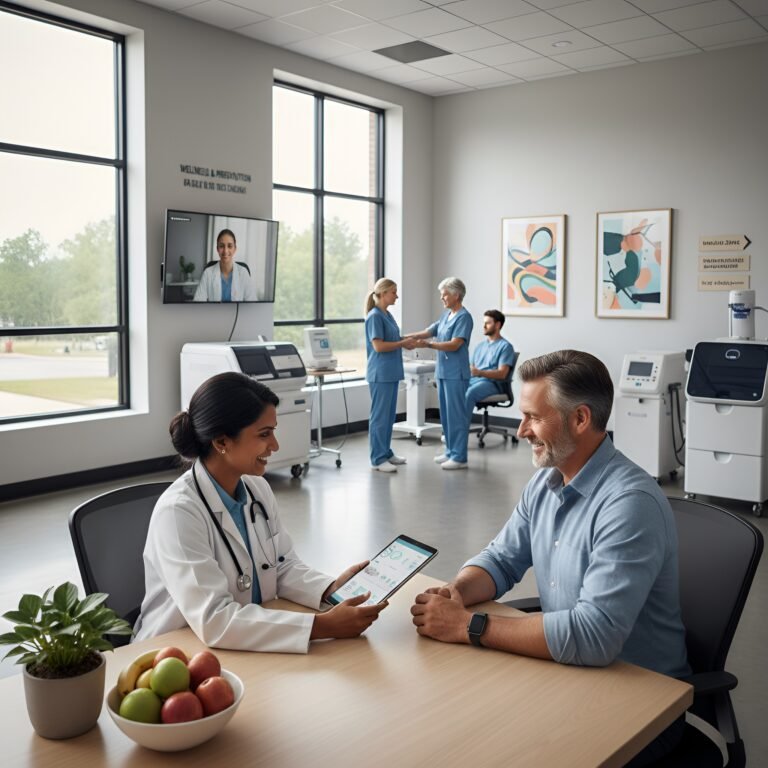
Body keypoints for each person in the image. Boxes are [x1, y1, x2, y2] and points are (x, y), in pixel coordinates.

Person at [410, 350, 690, 764]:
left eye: (534, 417)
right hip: (570, 673)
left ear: (580, 419)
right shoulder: (546, 481)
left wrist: (469, 626)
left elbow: (594, 636)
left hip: (640, 702)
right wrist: (456, 593)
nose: (521, 430)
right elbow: (502, 559)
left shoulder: (629, 504)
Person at [134, 372, 386, 653]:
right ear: (222, 442)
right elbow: (215, 619)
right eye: (264, 434)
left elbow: (282, 566)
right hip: (174, 653)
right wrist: (322, 626)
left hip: (239, 644)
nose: (275, 445)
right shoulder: (179, 513)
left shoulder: (257, 490)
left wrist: (330, 589)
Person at [405, 277, 473, 470]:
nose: (442, 298)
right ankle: (450, 451)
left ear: (456, 295)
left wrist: (429, 345)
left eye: (445, 294)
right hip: (442, 372)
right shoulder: (446, 315)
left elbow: (455, 344)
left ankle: (459, 457)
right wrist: (404, 338)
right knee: (446, 415)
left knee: (456, 415)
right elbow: (428, 331)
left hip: (456, 374)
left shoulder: (464, 317)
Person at [365, 278, 414, 473]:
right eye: (394, 292)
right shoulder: (375, 316)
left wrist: (408, 341)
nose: (397, 296)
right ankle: (377, 458)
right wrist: (402, 344)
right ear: (383, 293)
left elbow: (392, 339)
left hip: (391, 372)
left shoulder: (387, 315)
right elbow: (378, 346)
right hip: (380, 373)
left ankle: (385, 452)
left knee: (388, 416)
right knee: (379, 417)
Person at [466, 309, 516, 417]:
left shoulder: (505, 347)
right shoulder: (480, 346)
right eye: (484, 323)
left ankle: (460, 429)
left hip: (493, 384)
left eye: (488, 323)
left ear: (497, 325)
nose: (484, 326)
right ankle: (450, 427)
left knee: (470, 393)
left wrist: (479, 373)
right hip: (474, 380)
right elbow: (471, 368)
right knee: (454, 388)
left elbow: (502, 374)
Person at [193, 229, 258, 302]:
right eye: (221, 246)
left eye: (230, 246)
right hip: (214, 313)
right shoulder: (208, 273)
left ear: (235, 249)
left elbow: (252, 303)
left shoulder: (243, 273)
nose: (225, 251)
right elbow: (198, 301)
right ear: (217, 249)